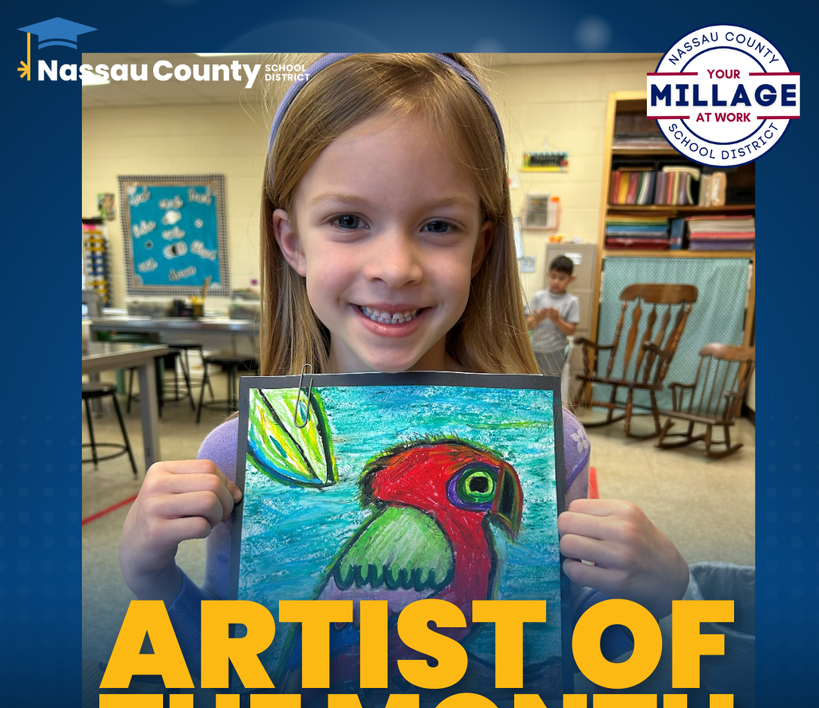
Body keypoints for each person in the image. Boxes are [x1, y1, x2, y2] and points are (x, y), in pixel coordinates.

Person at [119, 53, 689, 658]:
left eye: (439, 226)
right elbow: (232, 654)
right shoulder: (236, 455)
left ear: (480, 246)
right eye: (348, 220)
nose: (395, 268)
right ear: (292, 241)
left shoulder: (552, 442)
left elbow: (562, 644)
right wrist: (151, 578)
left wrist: (658, 590)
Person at [526, 254, 580, 378]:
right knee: (532, 384)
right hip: (534, 350)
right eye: (553, 276)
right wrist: (538, 318)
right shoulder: (538, 296)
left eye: (561, 278)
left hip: (555, 352)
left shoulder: (572, 301)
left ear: (570, 279)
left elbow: (570, 330)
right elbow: (528, 325)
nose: (556, 281)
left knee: (550, 388)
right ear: (548, 274)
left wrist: (557, 320)